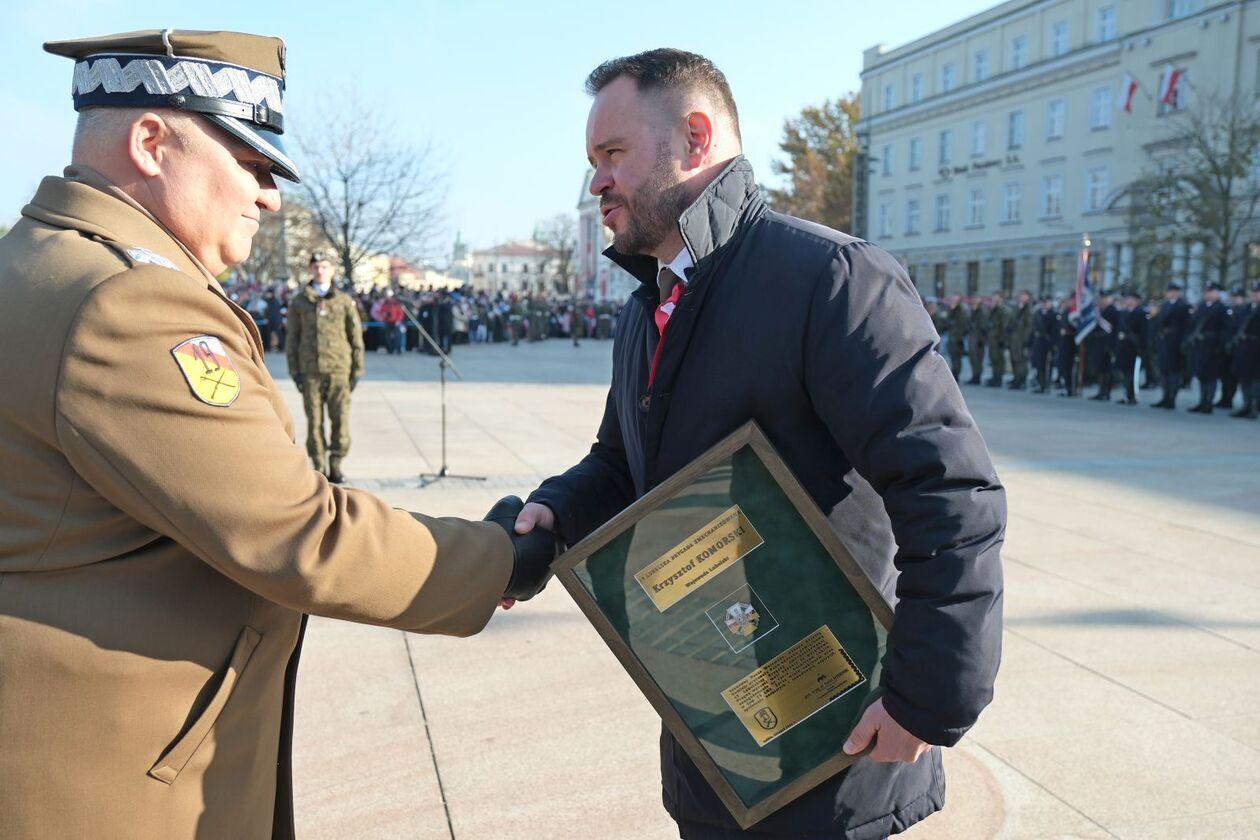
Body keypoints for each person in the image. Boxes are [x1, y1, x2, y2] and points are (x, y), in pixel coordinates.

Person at [0, 30, 560, 839]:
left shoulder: (36, 262)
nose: (268, 197)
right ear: (152, 143)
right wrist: (503, 557)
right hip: (108, 780)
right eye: (251, 164)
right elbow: (300, 533)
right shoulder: (128, 304)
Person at [507, 48, 1004, 839]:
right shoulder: (648, 306)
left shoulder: (833, 279)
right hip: (714, 742)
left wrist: (929, 699)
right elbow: (619, 462)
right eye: (591, 161)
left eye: (612, 155)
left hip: (836, 744)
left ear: (696, 138)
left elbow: (950, 492)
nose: (596, 181)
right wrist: (553, 514)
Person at [287, 251, 364, 483]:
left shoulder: (343, 301)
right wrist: (295, 371)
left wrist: (357, 369)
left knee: (340, 419)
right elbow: (293, 338)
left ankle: (336, 463)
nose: (320, 270)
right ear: (311, 270)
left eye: (324, 266)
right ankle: (319, 464)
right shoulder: (300, 302)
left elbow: (355, 336)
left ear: (331, 270)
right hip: (310, 371)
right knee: (314, 421)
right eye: (316, 266)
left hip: (339, 369)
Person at [1184, 282, 1230, 414]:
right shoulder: (1202, 306)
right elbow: (1193, 324)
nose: (1209, 294)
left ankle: (1208, 402)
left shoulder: (1221, 308)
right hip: (1201, 345)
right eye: (1207, 292)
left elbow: (1225, 329)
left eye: (1212, 291)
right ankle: (1202, 401)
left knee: (1211, 376)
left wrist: (1221, 346)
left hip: (1213, 345)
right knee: (1202, 375)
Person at [1151, 282, 1191, 409]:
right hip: (1164, 340)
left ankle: (1172, 398)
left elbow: (1187, 327)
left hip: (1175, 341)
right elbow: (1157, 324)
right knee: (1164, 370)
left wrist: (1184, 343)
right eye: (1169, 291)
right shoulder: (1164, 305)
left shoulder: (1183, 306)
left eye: (1173, 291)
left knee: (1174, 372)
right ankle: (1165, 396)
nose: (1171, 294)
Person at [1115, 289, 1148, 405]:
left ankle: (1133, 395)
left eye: (1130, 299)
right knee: (1124, 371)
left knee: (1132, 373)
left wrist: (1142, 347)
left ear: (1136, 300)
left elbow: (1144, 332)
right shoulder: (1124, 312)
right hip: (1124, 346)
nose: (1128, 301)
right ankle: (1127, 394)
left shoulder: (1141, 313)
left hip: (1134, 347)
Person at [1232, 282, 1260, 419]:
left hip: (1257, 349)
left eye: (1258, 292)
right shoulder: (1246, 308)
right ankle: (1246, 405)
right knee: (1244, 378)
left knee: (1256, 381)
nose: (1255, 294)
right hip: (1245, 347)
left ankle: (1254, 407)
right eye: (1254, 292)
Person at [1007, 290, 1033, 390]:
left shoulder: (1028, 310)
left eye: (1024, 296)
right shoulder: (1016, 308)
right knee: (1014, 359)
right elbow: (1011, 322)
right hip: (1014, 339)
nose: (1022, 298)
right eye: (1021, 296)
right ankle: (1016, 378)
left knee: (1021, 361)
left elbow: (1029, 327)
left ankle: (1021, 380)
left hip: (1021, 339)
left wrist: (1025, 340)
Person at [1030, 296, 1056, 393]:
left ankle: (1046, 385)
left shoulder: (1053, 314)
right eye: (1043, 302)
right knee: (1039, 364)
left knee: (1047, 365)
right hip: (1039, 342)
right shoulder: (1038, 313)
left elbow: (1054, 331)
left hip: (1048, 342)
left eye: (1046, 303)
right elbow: (1034, 329)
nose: (1044, 305)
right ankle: (1040, 384)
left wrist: (1054, 345)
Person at [984, 293, 1009, 387]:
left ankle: (998, 378)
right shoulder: (992, 310)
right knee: (993, 359)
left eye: (996, 299)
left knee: (999, 360)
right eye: (993, 299)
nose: (994, 301)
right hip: (992, 339)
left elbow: (1003, 327)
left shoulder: (1003, 311)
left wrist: (1002, 340)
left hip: (998, 339)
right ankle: (994, 377)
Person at [945, 294, 970, 380]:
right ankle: (954, 373)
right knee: (952, 357)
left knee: (957, 358)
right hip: (952, 337)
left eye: (955, 298)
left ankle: (956, 374)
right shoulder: (951, 309)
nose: (953, 300)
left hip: (958, 338)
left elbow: (963, 324)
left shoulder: (962, 310)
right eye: (952, 298)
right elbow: (947, 322)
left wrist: (961, 337)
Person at [967, 295, 989, 384]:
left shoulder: (982, 312)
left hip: (978, 339)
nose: (975, 300)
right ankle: (974, 376)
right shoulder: (971, 311)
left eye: (977, 299)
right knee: (972, 359)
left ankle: (977, 377)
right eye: (974, 299)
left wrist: (982, 340)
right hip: (972, 339)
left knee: (978, 359)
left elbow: (984, 327)